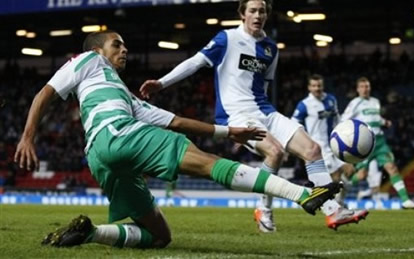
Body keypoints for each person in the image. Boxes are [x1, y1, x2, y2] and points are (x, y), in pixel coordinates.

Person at [14, 30, 343, 249]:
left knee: (160, 237)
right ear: (99, 49)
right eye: (117, 44)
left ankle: (91, 232)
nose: (125, 49)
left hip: (101, 157)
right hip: (119, 134)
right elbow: (46, 92)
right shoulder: (88, 60)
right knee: (208, 163)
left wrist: (231, 132)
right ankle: (303, 194)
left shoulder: (126, 97)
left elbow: (177, 121)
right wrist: (28, 137)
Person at [140, 0, 368, 232]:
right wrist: (161, 83)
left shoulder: (271, 48)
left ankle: (334, 211)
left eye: (262, 11)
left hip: (265, 111)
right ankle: (265, 210)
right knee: (275, 152)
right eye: (252, 11)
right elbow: (195, 62)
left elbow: (265, 86)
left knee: (313, 149)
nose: (257, 15)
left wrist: (270, 120)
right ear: (242, 14)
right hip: (237, 114)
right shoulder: (226, 39)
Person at [341, 77, 414, 209]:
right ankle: (343, 186)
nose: (365, 89)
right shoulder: (355, 103)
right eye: (363, 87)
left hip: (380, 142)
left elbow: (376, 117)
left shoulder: (375, 101)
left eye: (367, 86)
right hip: (365, 143)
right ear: (358, 89)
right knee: (361, 175)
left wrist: (385, 122)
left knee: (392, 168)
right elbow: (344, 120)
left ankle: (405, 200)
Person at [291, 74, 355, 210]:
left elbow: (337, 119)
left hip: (335, 144)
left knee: (349, 174)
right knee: (336, 176)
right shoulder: (304, 105)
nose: (317, 88)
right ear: (309, 87)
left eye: (319, 85)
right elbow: (293, 124)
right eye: (314, 86)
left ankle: (339, 202)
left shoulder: (331, 100)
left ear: (323, 85)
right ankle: (335, 208)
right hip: (318, 148)